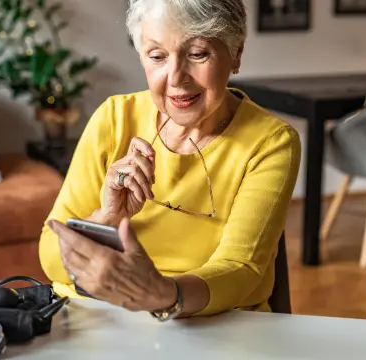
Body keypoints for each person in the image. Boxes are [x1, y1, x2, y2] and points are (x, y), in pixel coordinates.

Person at [39, 0, 301, 319]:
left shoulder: (270, 142)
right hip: (97, 318)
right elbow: (51, 255)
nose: (176, 78)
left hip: (213, 325)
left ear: (236, 54)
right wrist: (105, 218)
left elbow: (241, 271)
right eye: (157, 56)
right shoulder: (114, 118)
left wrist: (163, 294)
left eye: (197, 54)